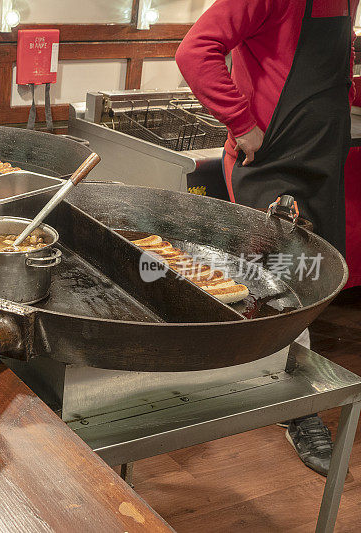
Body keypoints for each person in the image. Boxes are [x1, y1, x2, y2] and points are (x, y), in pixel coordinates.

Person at [176, 0, 358, 476]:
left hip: (322, 158)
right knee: (283, 282)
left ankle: (268, 380)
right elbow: (195, 50)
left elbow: (326, 64)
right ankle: (297, 409)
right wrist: (242, 124)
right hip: (272, 161)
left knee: (311, 278)